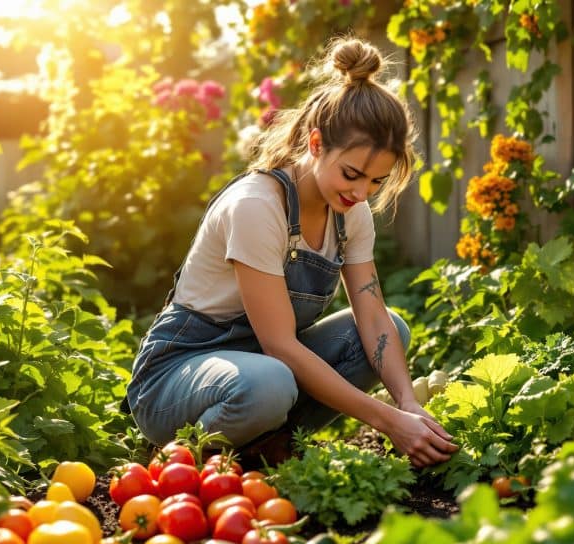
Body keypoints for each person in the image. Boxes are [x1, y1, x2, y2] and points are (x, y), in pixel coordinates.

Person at [126, 37, 458, 468]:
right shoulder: (258, 207)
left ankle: (264, 445)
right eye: (352, 174)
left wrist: (408, 403)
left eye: (376, 182)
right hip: (176, 379)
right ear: (316, 144)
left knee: (391, 329)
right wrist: (388, 421)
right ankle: (186, 454)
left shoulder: (350, 212)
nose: (361, 192)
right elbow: (280, 346)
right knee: (271, 382)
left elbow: (373, 317)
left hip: (260, 370)